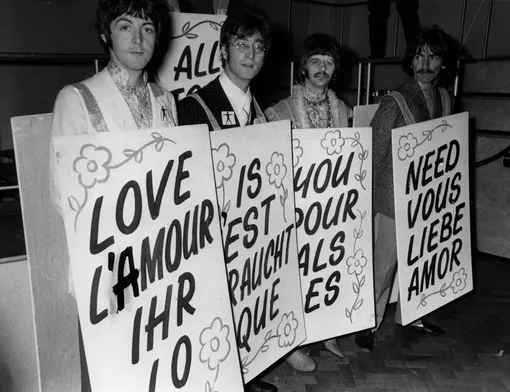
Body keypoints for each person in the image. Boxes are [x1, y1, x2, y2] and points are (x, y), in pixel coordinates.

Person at [49, 0, 177, 390]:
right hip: (106, 262)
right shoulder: (76, 98)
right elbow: (63, 193)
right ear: (106, 33)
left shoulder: (166, 100)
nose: (138, 39)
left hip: (163, 257)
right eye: (126, 27)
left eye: (148, 28)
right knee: (110, 374)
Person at [178, 7, 277, 392]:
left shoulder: (259, 111)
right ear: (223, 51)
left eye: (258, 47)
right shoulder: (195, 105)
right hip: (211, 230)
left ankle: (242, 375)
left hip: (246, 230)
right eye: (241, 45)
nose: (250, 55)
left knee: (244, 302)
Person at [355, 25, 457, 352]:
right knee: (384, 265)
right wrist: (368, 202)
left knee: (422, 259)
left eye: (433, 56)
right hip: (394, 198)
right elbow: (375, 151)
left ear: (443, 63)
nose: (425, 63)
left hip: (428, 197)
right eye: (419, 56)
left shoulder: (445, 98)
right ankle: (367, 324)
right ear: (410, 62)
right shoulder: (394, 100)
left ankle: (412, 315)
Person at [265, 33, 351, 372]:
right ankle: (293, 343)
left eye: (329, 63)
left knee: (327, 267)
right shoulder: (280, 110)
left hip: (329, 209)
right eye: (316, 60)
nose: (322, 68)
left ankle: (327, 330)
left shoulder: (343, 110)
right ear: (304, 67)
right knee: (295, 275)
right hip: (297, 209)